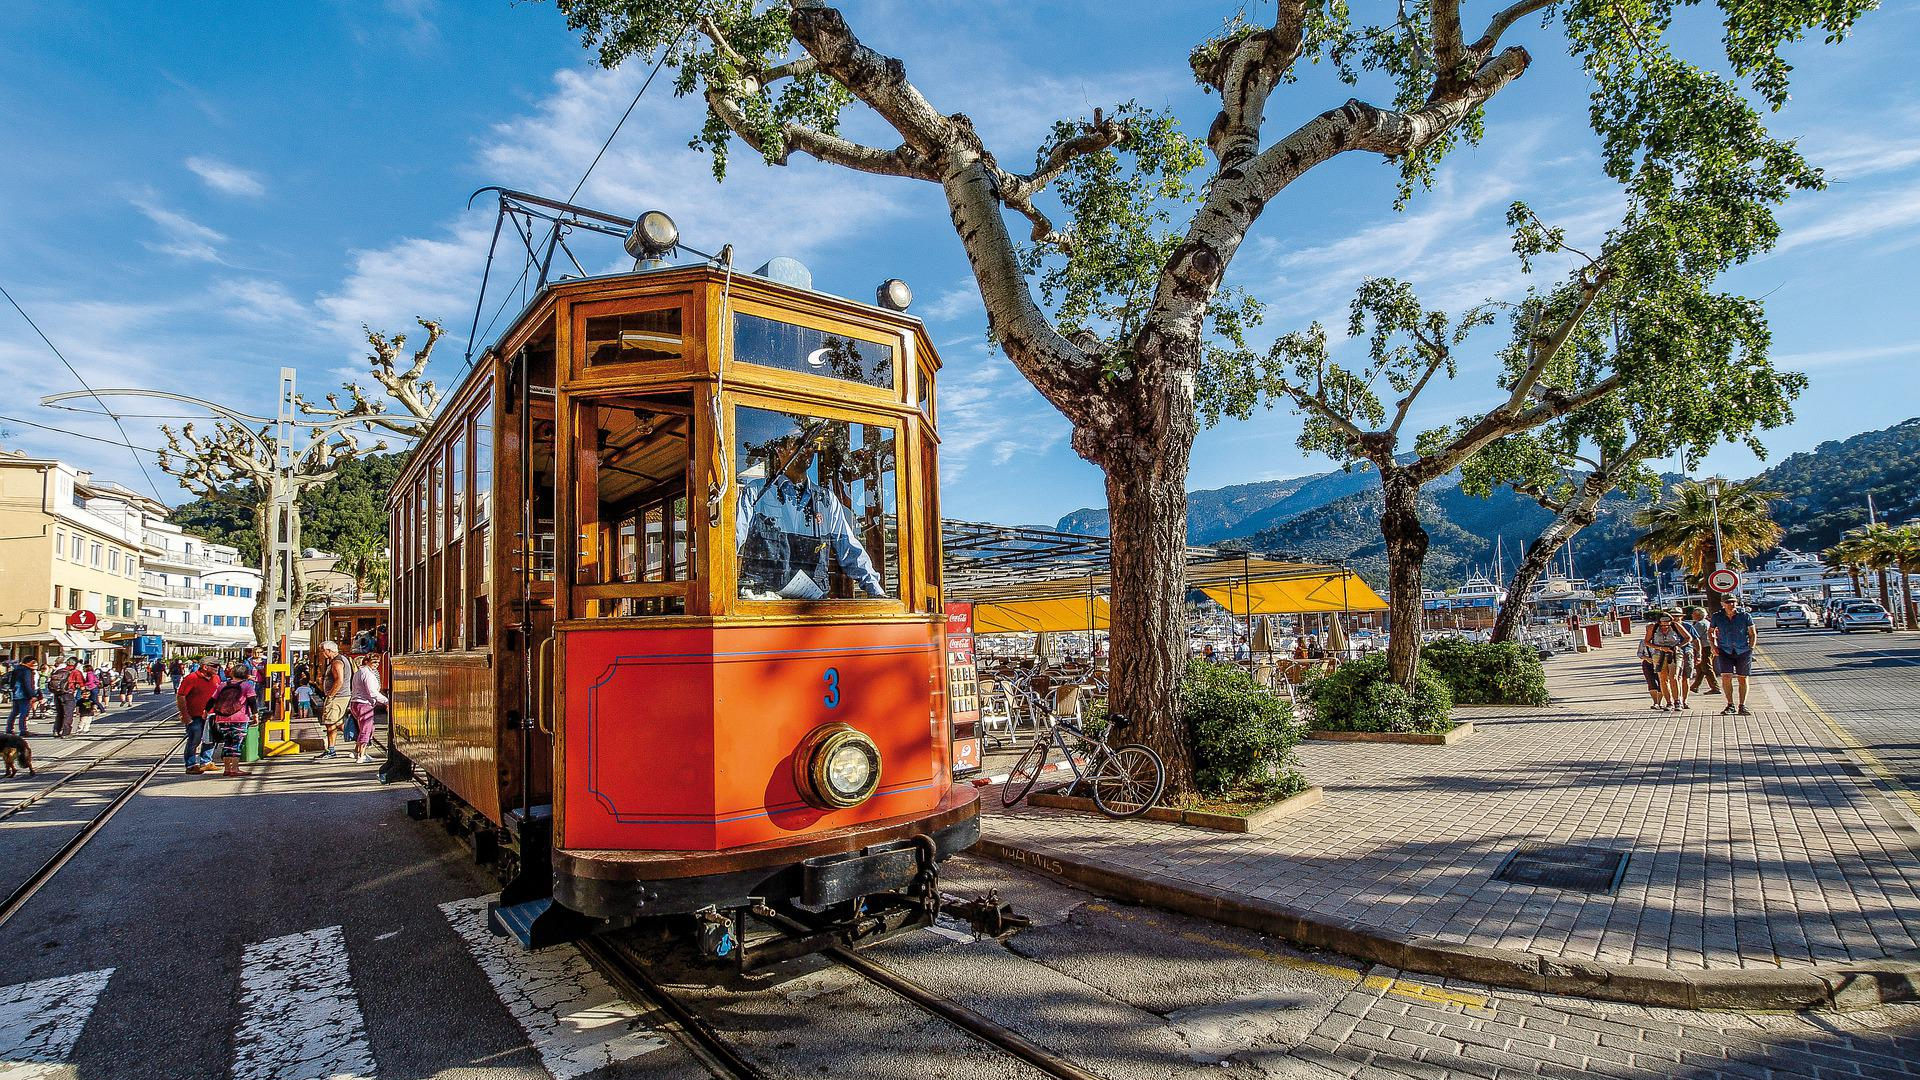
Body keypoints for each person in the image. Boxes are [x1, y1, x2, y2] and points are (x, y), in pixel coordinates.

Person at [735, 426, 886, 599]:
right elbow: (733, 539)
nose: (807, 449)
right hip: (764, 606)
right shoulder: (756, 493)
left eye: (810, 444)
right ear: (780, 450)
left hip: (813, 608)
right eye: (799, 443)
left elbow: (849, 549)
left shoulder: (826, 501)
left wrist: (877, 592)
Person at [1708, 595, 1758, 716]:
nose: (1731, 604)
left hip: (1743, 650)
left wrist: (1751, 648)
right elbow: (1710, 632)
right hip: (1725, 650)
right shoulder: (1717, 616)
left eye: (1733, 602)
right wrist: (1713, 647)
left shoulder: (1745, 616)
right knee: (1726, 676)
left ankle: (1742, 705)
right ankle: (1730, 704)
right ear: (1722, 604)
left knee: (1743, 677)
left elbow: (1752, 633)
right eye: (1728, 602)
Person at [175, 660, 224, 774]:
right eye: (214, 666)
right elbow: (181, 696)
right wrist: (184, 714)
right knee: (194, 739)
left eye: (218, 666)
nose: (217, 668)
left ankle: (206, 762)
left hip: (212, 715)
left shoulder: (216, 678)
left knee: (210, 739)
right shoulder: (191, 678)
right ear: (205, 667)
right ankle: (191, 764)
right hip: (195, 715)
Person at [207, 663, 255, 778]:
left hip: (222, 718)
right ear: (246, 674)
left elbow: (212, 700)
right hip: (240, 718)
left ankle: (227, 768)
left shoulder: (223, 685)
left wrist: (205, 712)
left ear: (232, 673)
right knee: (236, 743)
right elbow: (252, 701)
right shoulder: (247, 686)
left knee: (227, 743)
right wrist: (256, 715)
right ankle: (235, 768)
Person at [1648, 612, 1691, 711]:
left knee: (1674, 676)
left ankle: (1677, 701)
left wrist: (1678, 646)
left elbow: (1688, 637)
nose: (1666, 624)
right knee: (1663, 678)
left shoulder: (1675, 626)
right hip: (1659, 654)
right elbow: (1647, 642)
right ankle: (1669, 702)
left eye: (1668, 621)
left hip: (1674, 653)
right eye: (1663, 622)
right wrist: (1660, 648)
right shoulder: (1653, 627)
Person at [348, 657, 387, 764]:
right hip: (364, 704)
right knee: (366, 729)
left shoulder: (358, 672)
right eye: (374, 662)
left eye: (378, 662)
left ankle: (357, 751)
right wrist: (387, 701)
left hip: (356, 703)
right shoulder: (368, 674)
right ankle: (361, 755)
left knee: (365, 728)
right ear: (366, 661)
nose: (377, 664)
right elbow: (372, 692)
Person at [317, 640, 351, 758]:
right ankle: (361, 738)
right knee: (338, 722)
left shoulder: (337, 662)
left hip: (338, 697)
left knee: (330, 723)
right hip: (340, 696)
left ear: (329, 650)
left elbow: (339, 681)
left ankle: (331, 750)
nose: (322, 653)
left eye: (323, 650)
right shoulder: (340, 659)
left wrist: (331, 695)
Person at [1685, 606, 1720, 696]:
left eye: (1694, 614)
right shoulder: (1706, 622)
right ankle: (1695, 686)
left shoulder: (1700, 624)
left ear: (1699, 615)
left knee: (1706, 667)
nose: (1692, 615)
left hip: (1705, 647)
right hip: (1706, 647)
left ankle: (1715, 687)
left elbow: (1694, 636)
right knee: (1700, 668)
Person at [1636, 612, 1666, 710]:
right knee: (1651, 682)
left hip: (1659, 662)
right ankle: (1655, 702)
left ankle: (1661, 701)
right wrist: (1646, 658)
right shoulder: (1643, 642)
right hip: (1648, 663)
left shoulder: (1660, 640)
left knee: (1662, 681)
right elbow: (1639, 653)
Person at [50, 658, 80, 738]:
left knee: (60, 713)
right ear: (76, 664)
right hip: (68, 694)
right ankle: (66, 732)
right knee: (68, 714)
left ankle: (56, 730)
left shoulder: (58, 671)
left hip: (57, 694)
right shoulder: (75, 672)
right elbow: (82, 684)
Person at [6, 657, 36, 736]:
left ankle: (9, 729)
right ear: (29, 662)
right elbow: (27, 683)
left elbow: (12, 682)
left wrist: (12, 689)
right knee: (24, 712)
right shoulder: (26, 670)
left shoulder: (16, 669)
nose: (34, 665)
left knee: (14, 712)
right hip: (24, 694)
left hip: (15, 693)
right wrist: (32, 694)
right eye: (33, 663)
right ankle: (23, 730)